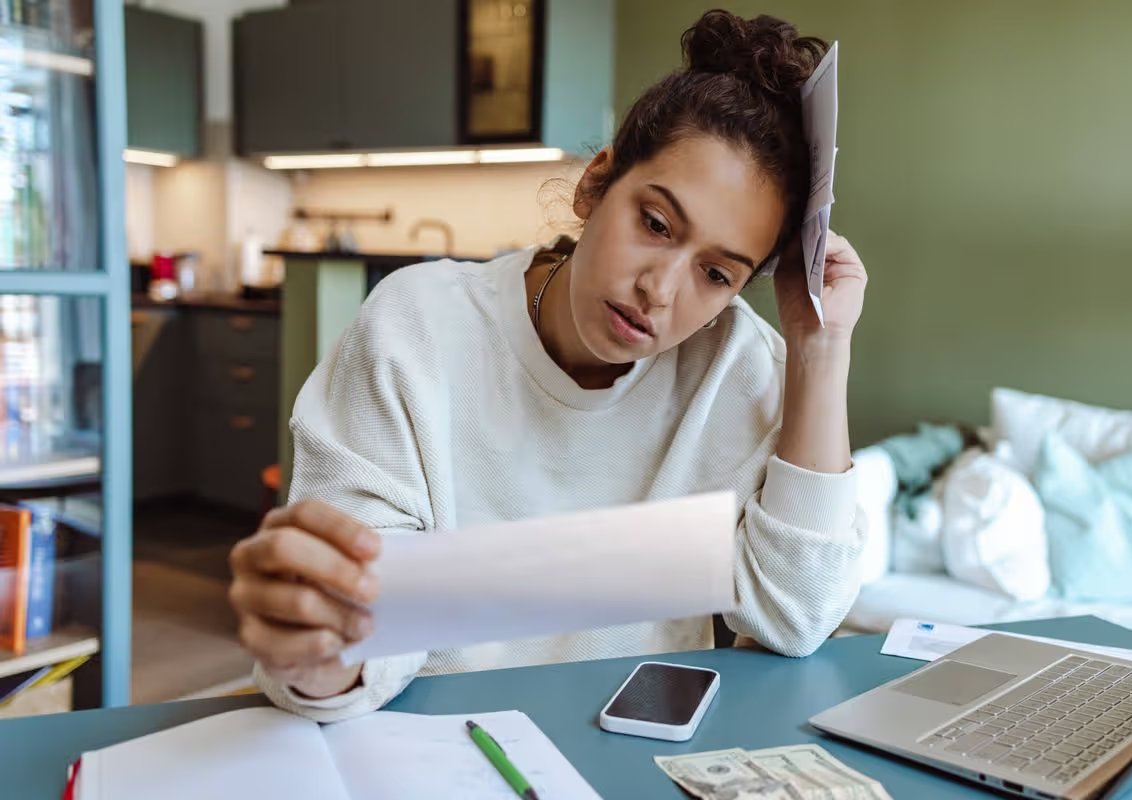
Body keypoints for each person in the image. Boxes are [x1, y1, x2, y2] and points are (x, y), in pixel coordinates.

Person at [229, 9, 869, 722]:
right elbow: (364, 619)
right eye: (654, 224)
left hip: (626, 753)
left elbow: (799, 613)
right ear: (595, 186)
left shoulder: (736, 367)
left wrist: (819, 347)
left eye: (716, 275)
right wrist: (320, 654)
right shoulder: (415, 328)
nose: (659, 291)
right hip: (431, 748)